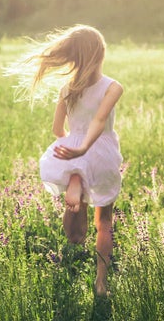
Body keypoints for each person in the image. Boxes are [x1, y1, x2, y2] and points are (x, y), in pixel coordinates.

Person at [8, 25, 123, 296]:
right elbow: (99, 120)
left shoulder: (66, 88)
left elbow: (57, 129)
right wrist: (85, 148)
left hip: (73, 149)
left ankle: (76, 179)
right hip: (100, 151)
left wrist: (74, 145)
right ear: (101, 54)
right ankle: (101, 284)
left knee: (75, 233)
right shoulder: (113, 87)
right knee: (104, 223)